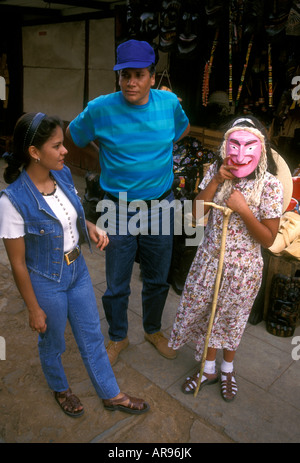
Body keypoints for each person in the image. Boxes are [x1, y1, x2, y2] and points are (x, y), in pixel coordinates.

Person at [0, 112, 150, 417]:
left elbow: (72, 214)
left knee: (92, 335)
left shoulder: (63, 175)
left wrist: (90, 227)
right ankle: (60, 388)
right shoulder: (12, 201)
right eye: (57, 146)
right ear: (34, 152)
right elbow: (17, 263)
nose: (65, 151)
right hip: (45, 279)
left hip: (78, 270)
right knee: (52, 341)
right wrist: (33, 308)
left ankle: (111, 394)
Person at [65, 39, 190, 366]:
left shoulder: (168, 104)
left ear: (152, 76)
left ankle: (152, 329)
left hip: (161, 208)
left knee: (157, 277)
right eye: (124, 75)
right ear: (118, 77)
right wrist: (105, 157)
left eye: (138, 75)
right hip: (117, 209)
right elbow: (75, 137)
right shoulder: (100, 109)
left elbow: (181, 130)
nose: (131, 82)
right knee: (117, 282)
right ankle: (118, 337)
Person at [168, 116, 284, 402]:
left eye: (249, 146)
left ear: (261, 148)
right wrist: (218, 179)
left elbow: (269, 239)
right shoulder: (217, 173)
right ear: (225, 146)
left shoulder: (270, 186)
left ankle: (227, 368)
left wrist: (244, 209)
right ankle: (207, 369)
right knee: (208, 316)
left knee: (232, 319)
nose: (240, 153)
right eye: (234, 144)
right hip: (209, 260)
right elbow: (195, 215)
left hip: (243, 270)